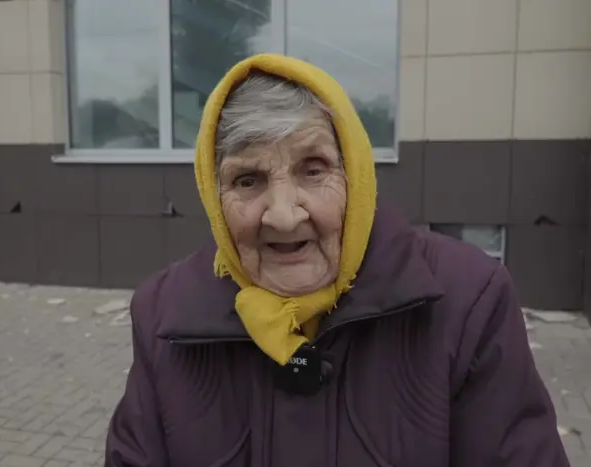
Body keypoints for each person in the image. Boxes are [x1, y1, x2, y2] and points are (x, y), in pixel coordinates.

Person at [104, 54, 569, 466]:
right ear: (213, 193)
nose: (284, 216)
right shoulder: (162, 313)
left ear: (355, 174)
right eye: (247, 180)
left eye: (314, 169)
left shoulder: (469, 301)